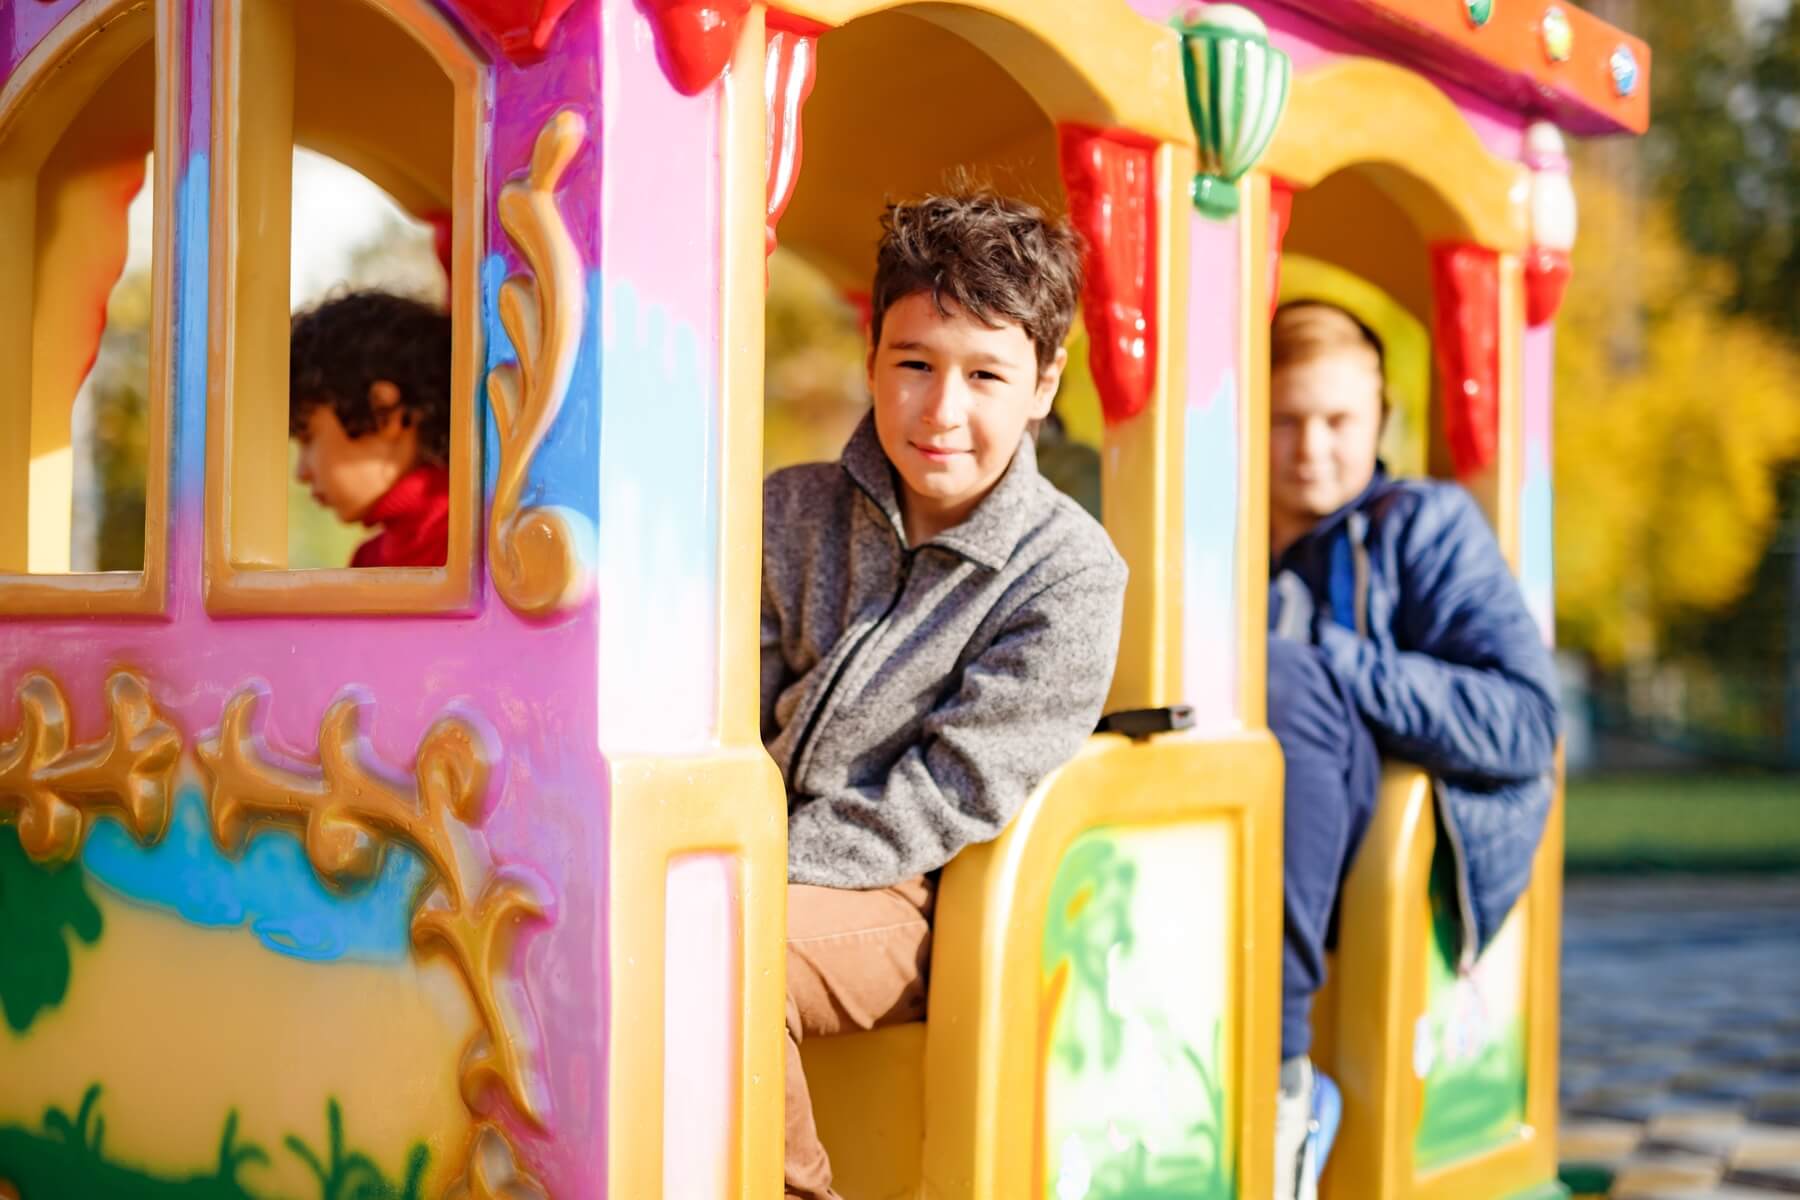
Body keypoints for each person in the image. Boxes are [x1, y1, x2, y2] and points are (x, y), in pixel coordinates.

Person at [760, 190, 1128, 1200]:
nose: (942, 410)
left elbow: (950, 794)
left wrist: (750, 874)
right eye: (914, 363)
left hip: (914, 896)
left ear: (1043, 383)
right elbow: (727, 716)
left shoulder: (1066, 572)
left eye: (985, 374)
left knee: (724, 953)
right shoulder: (786, 511)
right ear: (873, 355)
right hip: (756, 858)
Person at [1264, 302, 1560, 1200]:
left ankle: (1282, 1094)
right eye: (1284, 420)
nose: (1311, 447)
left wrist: (1329, 663)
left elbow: (1523, 722)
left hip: (1365, 862)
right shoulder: (1207, 542)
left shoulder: (1422, 526)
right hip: (1238, 848)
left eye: (1338, 421)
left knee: (1282, 674)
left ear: (1381, 419)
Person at [289, 291, 453, 568]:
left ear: (383, 412)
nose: (301, 473)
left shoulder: (477, 543)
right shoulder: (368, 560)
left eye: (308, 437)